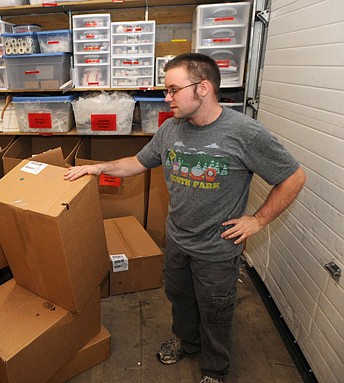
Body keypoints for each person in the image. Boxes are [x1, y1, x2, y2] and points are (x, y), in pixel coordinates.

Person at [64, 52, 306, 383]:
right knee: (179, 298)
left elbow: (293, 178)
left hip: (217, 250)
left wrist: (258, 220)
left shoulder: (244, 133)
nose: (168, 98)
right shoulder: (170, 128)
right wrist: (98, 167)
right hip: (177, 240)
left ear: (203, 88)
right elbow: (138, 162)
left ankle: (214, 370)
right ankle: (188, 342)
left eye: (173, 89)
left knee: (216, 311)